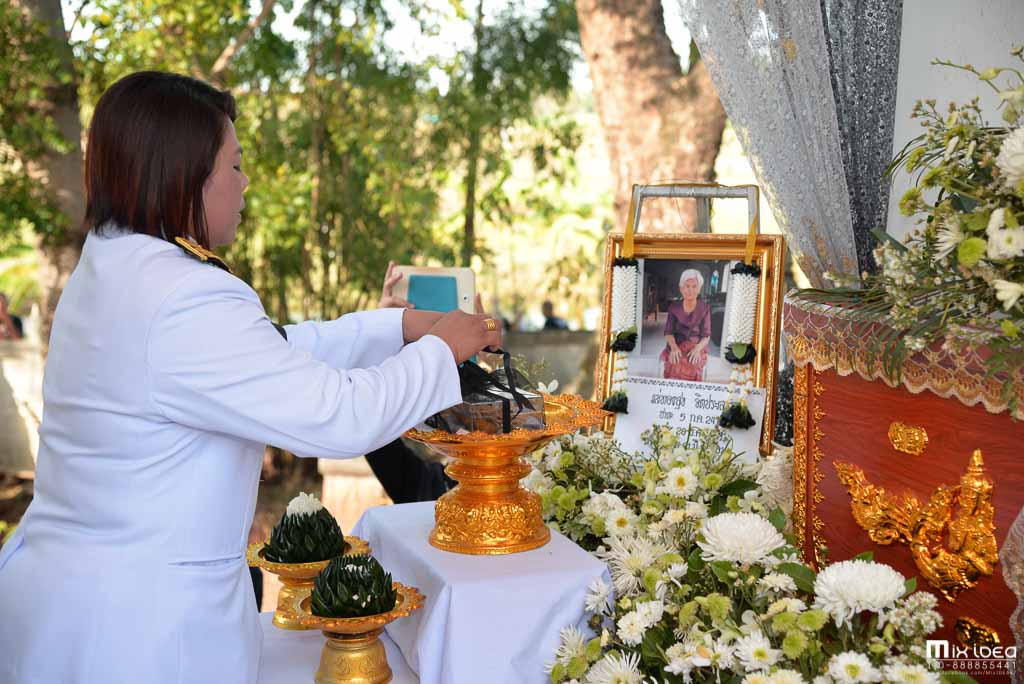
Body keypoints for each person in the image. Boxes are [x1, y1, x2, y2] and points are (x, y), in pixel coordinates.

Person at [0, 71, 501, 683]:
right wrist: (441, 350)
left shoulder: (115, 265)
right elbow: (337, 417)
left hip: (78, 597)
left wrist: (395, 329)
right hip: (141, 631)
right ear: (185, 175)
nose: (244, 185)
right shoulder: (182, 293)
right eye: (233, 166)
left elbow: (271, 352)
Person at [660, 268, 711, 382]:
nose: (690, 290)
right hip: (676, 345)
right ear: (681, 288)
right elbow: (668, 332)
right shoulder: (674, 307)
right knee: (675, 363)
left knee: (693, 364)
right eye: (687, 286)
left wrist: (697, 349)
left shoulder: (705, 308)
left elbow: (706, 335)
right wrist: (673, 347)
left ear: (699, 289)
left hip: (696, 346)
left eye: (694, 286)